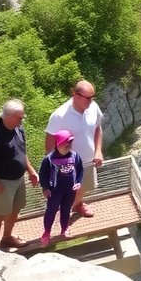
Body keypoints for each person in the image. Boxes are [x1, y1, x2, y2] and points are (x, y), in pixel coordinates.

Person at [0, 99, 40, 249]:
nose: (22, 120)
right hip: (2, 182)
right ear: (9, 116)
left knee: (15, 209)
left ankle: (7, 238)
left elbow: (22, 152)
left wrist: (30, 171)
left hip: (19, 179)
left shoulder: (18, 129)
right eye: (20, 117)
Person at [46, 80, 104, 217]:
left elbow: (97, 129)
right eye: (88, 98)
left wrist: (98, 150)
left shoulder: (93, 107)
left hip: (89, 161)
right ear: (76, 95)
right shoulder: (59, 116)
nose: (91, 101)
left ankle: (77, 205)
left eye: (93, 97)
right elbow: (49, 144)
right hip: (68, 164)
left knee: (85, 188)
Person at [38, 129, 84, 246]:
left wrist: (78, 182)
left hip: (70, 190)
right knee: (51, 211)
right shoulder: (49, 159)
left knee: (66, 209)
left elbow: (80, 170)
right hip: (55, 191)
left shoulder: (75, 156)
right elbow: (43, 175)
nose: (68, 146)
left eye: (70, 143)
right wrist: (45, 188)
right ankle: (47, 232)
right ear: (58, 144)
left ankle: (64, 229)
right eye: (66, 143)